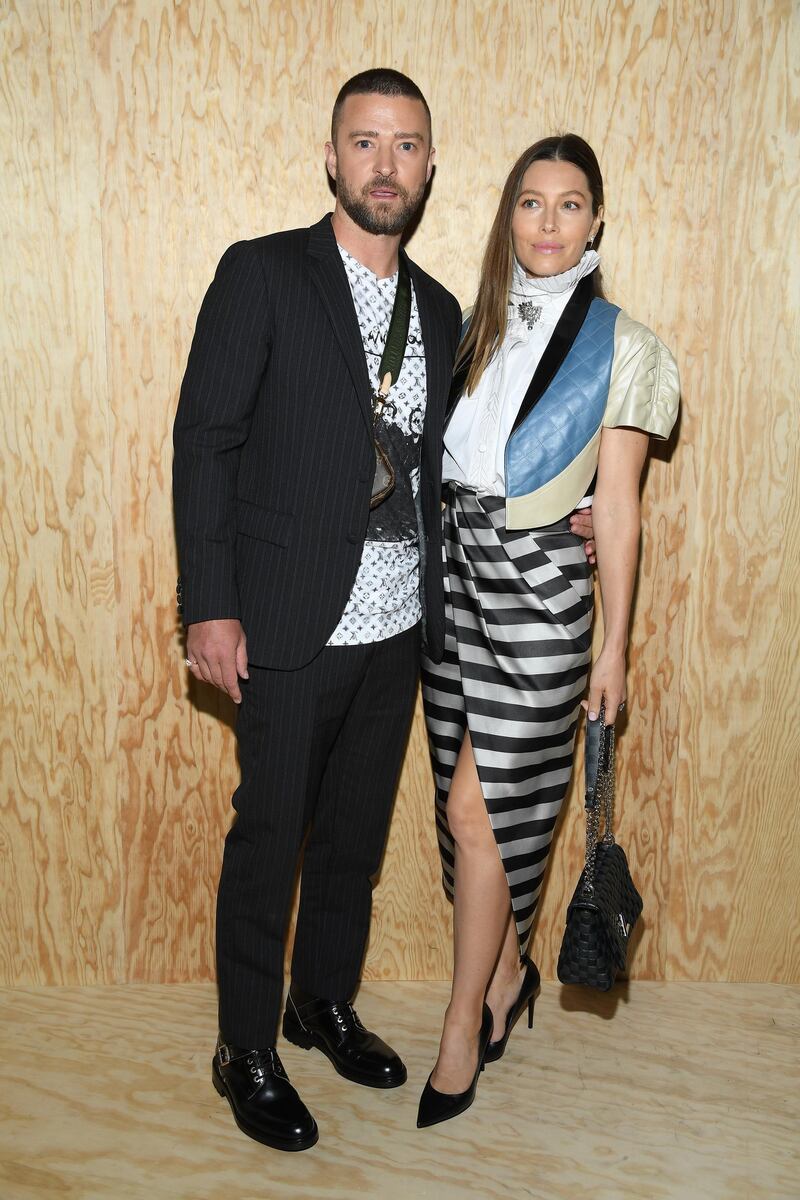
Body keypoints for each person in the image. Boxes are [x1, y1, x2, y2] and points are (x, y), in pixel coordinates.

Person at [172, 68, 463, 1152]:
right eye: (364, 142)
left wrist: (570, 514)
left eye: (405, 145)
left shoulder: (438, 309)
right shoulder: (260, 275)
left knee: (351, 843)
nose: (384, 164)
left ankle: (318, 1003)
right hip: (286, 624)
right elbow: (204, 441)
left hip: (396, 634)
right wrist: (210, 606)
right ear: (331, 158)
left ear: (429, 166)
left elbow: (460, 467)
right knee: (268, 843)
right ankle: (243, 1044)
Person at [417, 134, 679, 1128]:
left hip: (539, 600)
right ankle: (509, 973)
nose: (547, 222)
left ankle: (460, 1030)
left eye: (569, 205)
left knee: (477, 810)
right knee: (465, 820)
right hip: (457, 586)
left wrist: (613, 645)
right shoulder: (468, 326)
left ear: (596, 220)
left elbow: (614, 506)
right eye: (530, 202)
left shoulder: (621, 344)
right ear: (507, 214)